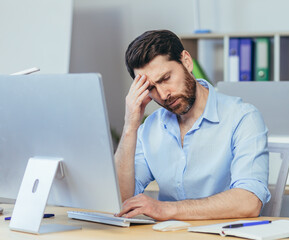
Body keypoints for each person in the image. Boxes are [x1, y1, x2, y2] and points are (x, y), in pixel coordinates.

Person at [115, 30, 270, 221]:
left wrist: (165, 210)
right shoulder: (150, 127)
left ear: (186, 61)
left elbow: (249, 201)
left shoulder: (243, 117)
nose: (163, 95)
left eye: (165, 78)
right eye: (151, 88)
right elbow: (121, 199)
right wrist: (130, 126)